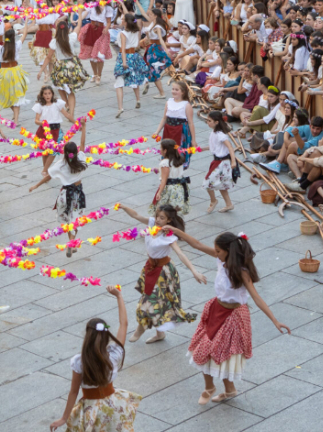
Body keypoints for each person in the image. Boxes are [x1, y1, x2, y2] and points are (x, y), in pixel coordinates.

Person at [169, 230, 291, 403]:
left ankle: (229, 389)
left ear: (228, 251)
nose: (215, 253)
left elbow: (256, 297)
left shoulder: (241, 271)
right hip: (216, 310)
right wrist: (175, 231)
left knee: (223, 353)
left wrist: (275, 320)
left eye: (218, 251)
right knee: (203, 347)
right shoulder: (221, 259)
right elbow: (196, 243)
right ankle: (210, 387)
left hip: (234, 316)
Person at [49, 286, 139, 432]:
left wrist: (64, 418)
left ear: (86, 337)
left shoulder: (79, 362)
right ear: (106, 336)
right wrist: (119, 296)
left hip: (90, 411)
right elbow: (124, 324)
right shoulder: (114, 355)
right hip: (114, 406)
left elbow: (73, 391)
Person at [120, 205, 205, 343]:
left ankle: (140, 329)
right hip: (150, 267)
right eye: (157, 216)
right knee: (158, 302)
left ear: (169, 220)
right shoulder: (152, 223)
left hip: (163, 272)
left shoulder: (169, 236)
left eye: (162, 218)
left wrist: (194, 271)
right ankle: (160, 334)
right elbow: (136, 215)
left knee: (149, 301)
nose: (158, 220)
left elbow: (181, 254)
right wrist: (123, 206)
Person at [202, 111, 237, 213]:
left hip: (222, 163)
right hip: (218, 161)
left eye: (209, 121)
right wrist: (202, 149)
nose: (208, 122)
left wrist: (233, 161)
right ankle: (229, 204)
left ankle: (213, 200)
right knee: (222, 185)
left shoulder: (221, 135)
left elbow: (230, 147)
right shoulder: (214, 133)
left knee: (207, 182)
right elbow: (215, 147)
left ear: (216, 122)